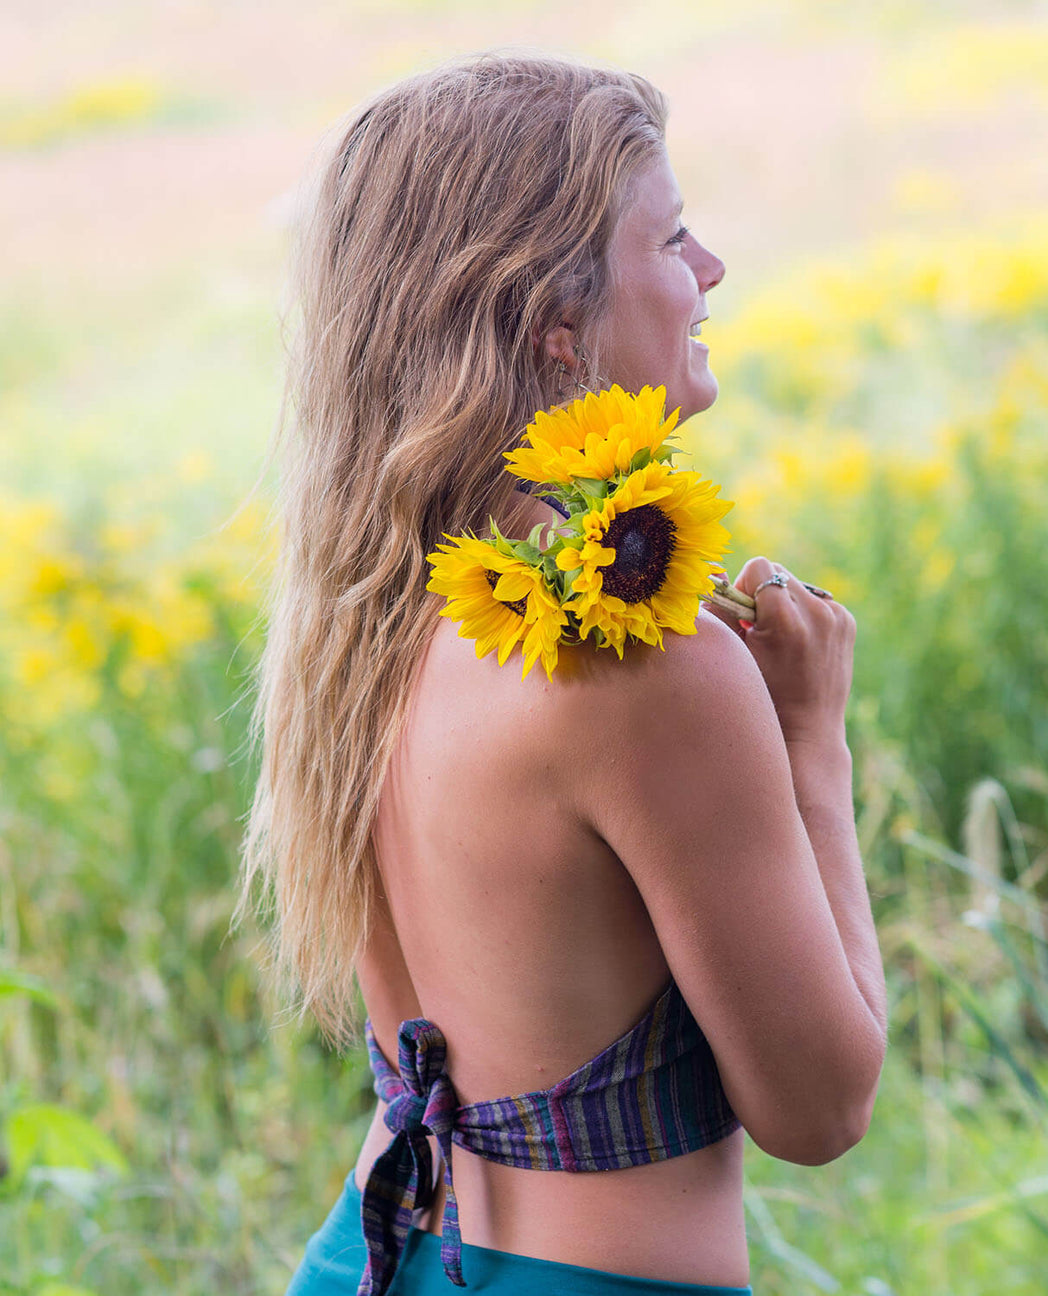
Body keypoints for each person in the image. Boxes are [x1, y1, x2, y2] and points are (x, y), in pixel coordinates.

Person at [239, 51, 888, 1296]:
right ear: (557, 320)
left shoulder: (373, 610)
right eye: (675, 239)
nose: (710, 273)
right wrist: (813, 742)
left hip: (367, 1261)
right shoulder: (640, 670)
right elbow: (821, 1108)